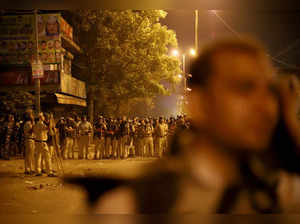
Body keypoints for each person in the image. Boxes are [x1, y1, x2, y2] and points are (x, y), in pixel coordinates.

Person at [66, 37, 300, 215]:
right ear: (198, 105)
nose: (266, 106)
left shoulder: (280, 195)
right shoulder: (131, 206)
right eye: (244, 88)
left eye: (270, 91)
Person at [33, 113, 56, 177]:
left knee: (38, 157)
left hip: (37, 142)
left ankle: (38, 171)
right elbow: (48, 128)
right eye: (43, 116)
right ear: (41, 117)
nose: (44, 118)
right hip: (42, 142)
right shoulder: (41, 123)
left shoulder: (36, 124)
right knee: (47, 157)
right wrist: (50, 121)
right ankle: (49, 172)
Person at [23, 111, 35, 175]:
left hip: (32, 140)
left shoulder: (30, 123)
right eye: (31, 115)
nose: (32, 116)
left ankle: (30, 168)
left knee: (31, 155)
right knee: (28, 155)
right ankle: (27, 169)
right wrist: (33, 126)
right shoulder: (27, 123)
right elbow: (30, 132)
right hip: (29, 140)